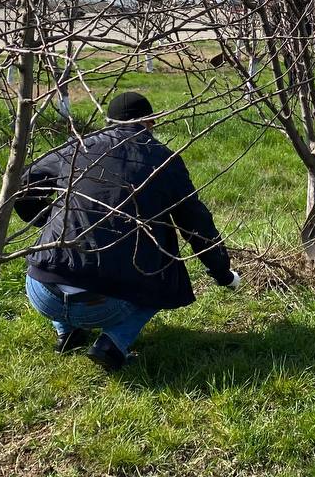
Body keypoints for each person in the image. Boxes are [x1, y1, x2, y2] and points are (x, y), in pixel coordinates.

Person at [16, 91, 240, 371]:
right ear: (151, 122)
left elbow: (23, 184)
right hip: (103, 304)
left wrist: (46, 219)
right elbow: (196, 224)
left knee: (62, 250)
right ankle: (113, 343)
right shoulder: (164, 160)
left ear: (109, 121)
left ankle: (66, 331)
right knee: (166, 265)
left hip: (42, 292)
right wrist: (223, 274)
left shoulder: (75, 147)